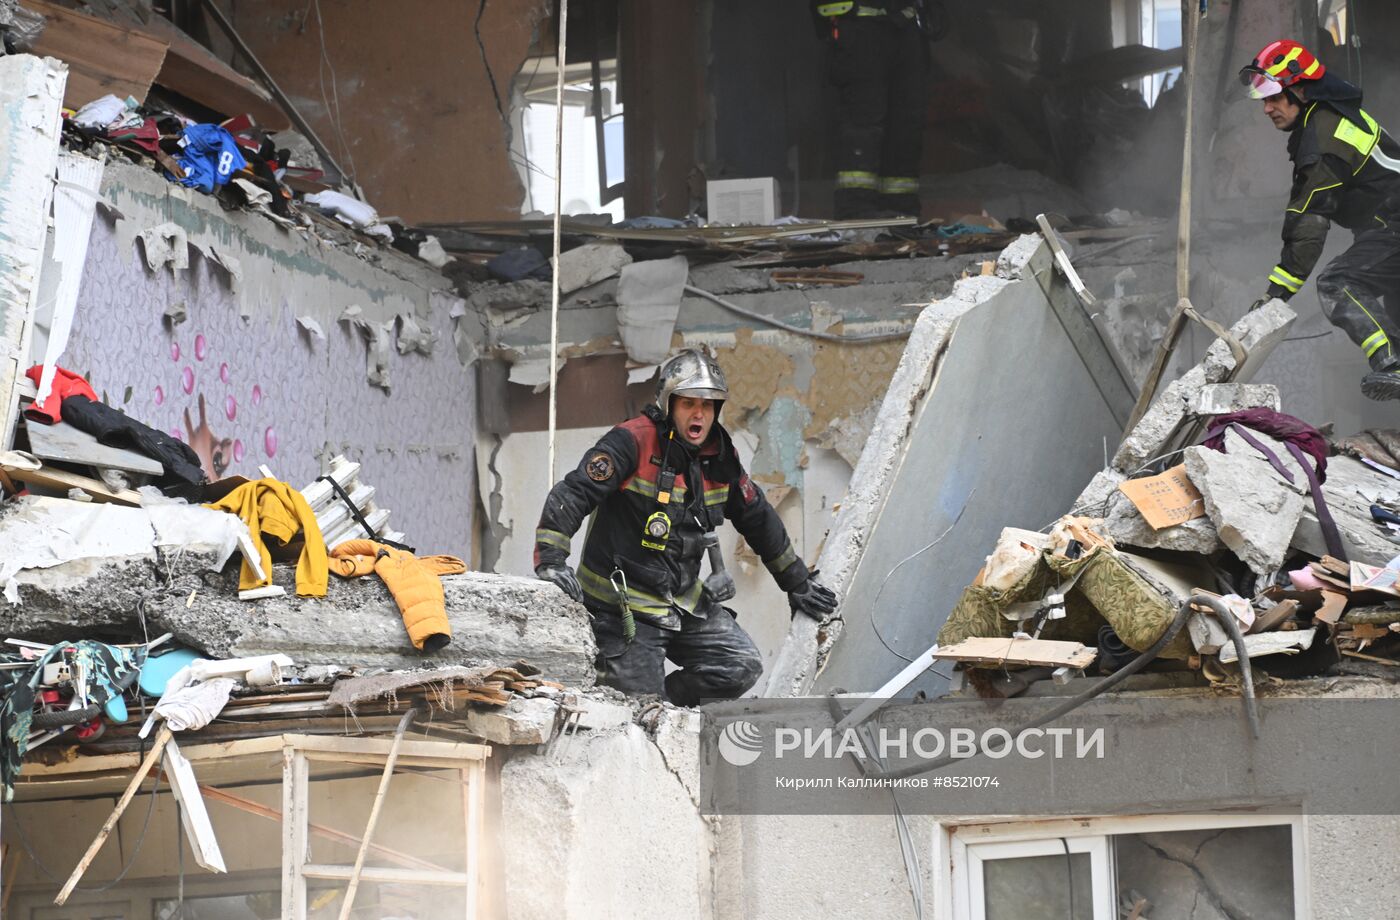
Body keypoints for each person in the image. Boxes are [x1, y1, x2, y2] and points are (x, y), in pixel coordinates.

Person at [533, 349, 837, 705]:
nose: (699, 414)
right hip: (623, 610)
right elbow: (574, 492)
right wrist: (551, 560)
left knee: (741, 666)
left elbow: (757, 517)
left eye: (708, 406)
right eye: (689, 403)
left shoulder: (719, 457)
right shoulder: (631, 441)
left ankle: (668, 706)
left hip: (682, 602)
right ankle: (653, 707)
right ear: (668, 404)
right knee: (638, 711)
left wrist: (797, 582)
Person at [1240, 39, 1400, 400]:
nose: (1267, 108)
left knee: (1337, 282)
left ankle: (1392, 364)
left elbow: (1309, 219)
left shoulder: (1324, 134)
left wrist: (1275, 296)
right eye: (1263, 99)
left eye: (1273, 96)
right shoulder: (1328, 119)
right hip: (1388, 228)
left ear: (1299, 89)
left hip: (1394, 227)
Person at [812, 1, 941, 219]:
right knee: (863, 123)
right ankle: (856, 210)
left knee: (905, 125)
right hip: (858, 26)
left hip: (906, 26)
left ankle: (902, 210)